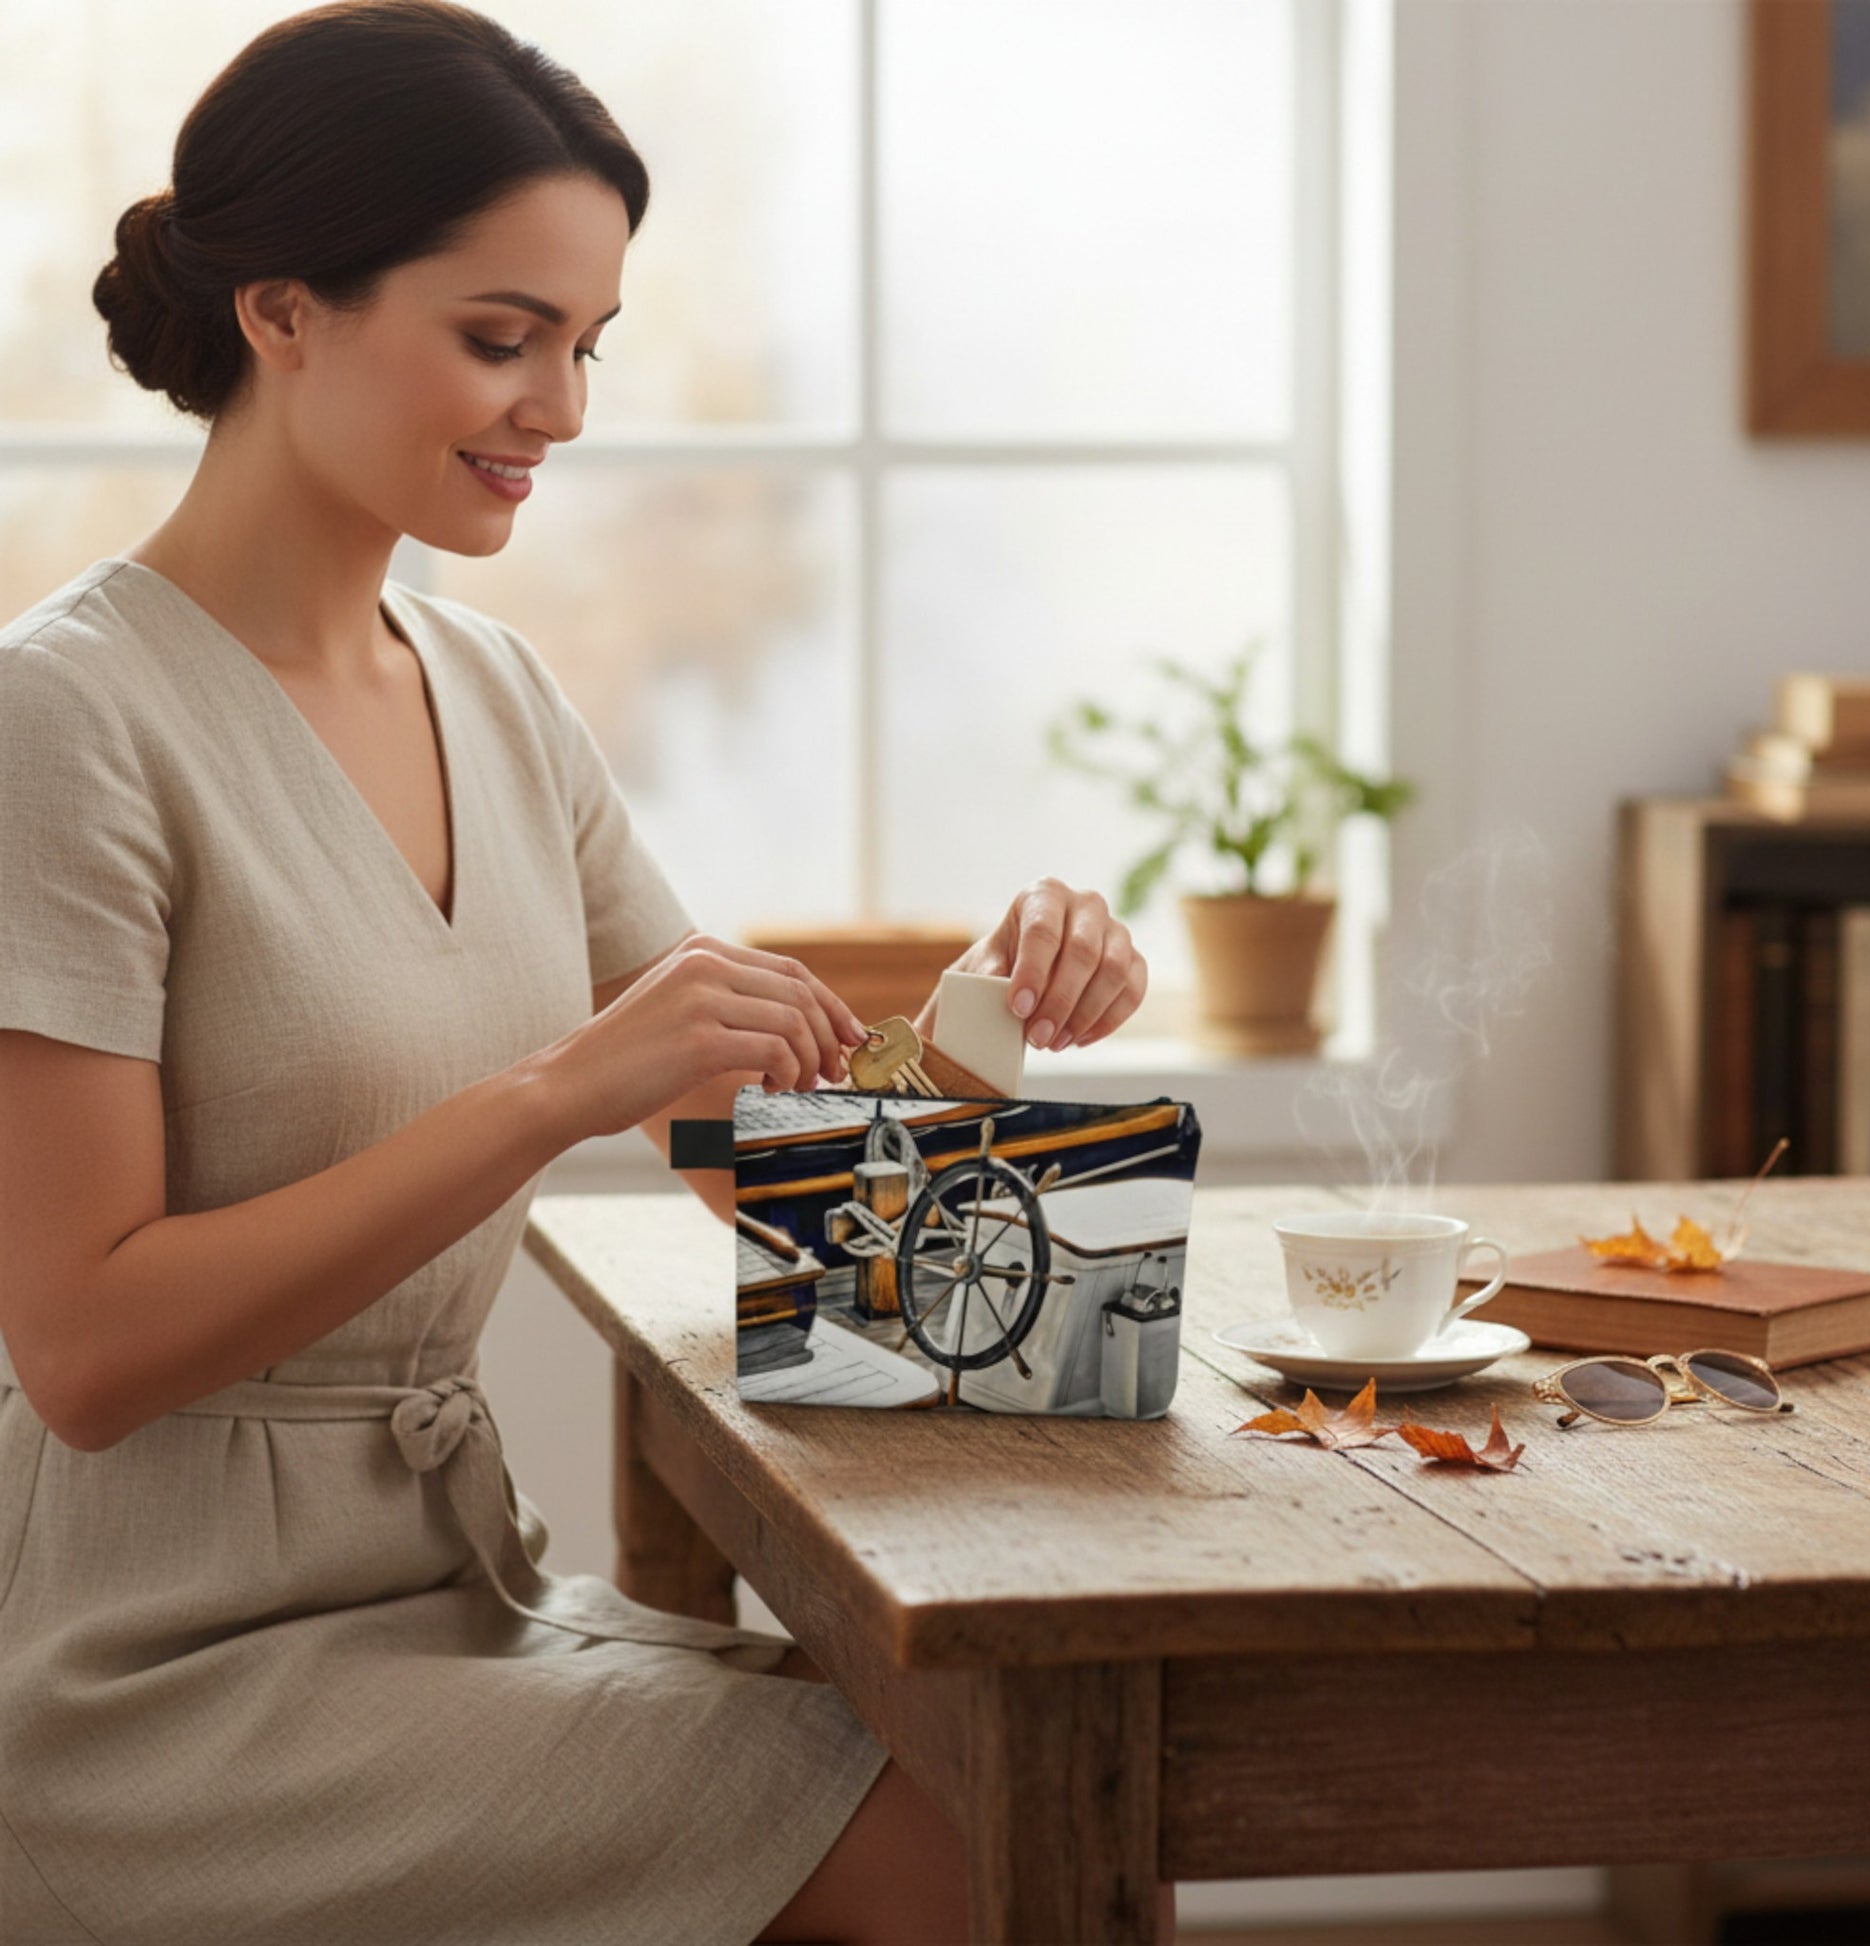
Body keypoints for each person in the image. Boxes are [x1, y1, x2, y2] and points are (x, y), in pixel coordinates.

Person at [0, 3, 1169, 1942]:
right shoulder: (66, 724)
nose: (560, 404)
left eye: (585, 343)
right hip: (152, 1680)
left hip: (463, 1590)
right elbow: (88, 1352)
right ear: (283, 312)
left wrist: (987, 1011)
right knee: (950, 1853)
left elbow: (788, 1182)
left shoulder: (498, 693)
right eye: (499, 335)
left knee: (1030, 1779)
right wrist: (548, 1093)